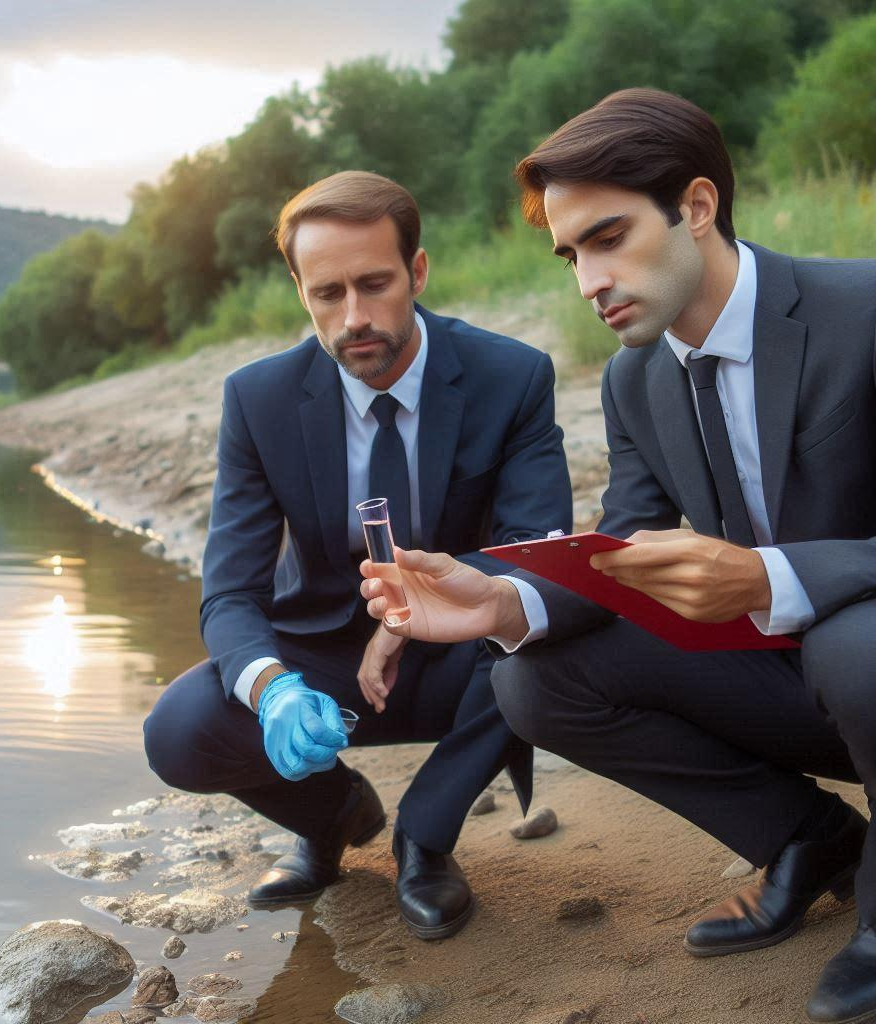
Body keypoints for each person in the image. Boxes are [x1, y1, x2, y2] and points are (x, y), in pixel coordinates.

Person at [360, 90, 876, 1020]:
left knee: (854, 643)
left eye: (608, 237)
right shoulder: (638, 379)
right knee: (533, 682)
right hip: (795, 682)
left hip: (867, 656)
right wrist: (503, 606)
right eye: (569, 255)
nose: (587, 280)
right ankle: (813, 840)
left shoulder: (863, 308)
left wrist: (775, 577)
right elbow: (623, 547)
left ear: (698, 206)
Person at [143, 170, 572, 940]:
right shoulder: (258, 399)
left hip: (464, 655)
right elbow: (229, 591)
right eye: (327, 295)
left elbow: (537, 553)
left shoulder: (512, 377)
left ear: (418, 271)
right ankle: (333, 815)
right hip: (328, 659)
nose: (355, 318)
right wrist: (272, 688)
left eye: (375, 284)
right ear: (301, 292)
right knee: (180, 727)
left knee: (551, 644)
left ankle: (425, 835)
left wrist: (409, 615)